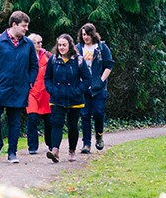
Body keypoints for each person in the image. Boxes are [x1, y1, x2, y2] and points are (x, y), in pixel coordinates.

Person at [0, 11, 38, 163]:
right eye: (24, 26)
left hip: (19, 89)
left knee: (15, 121)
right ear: (14, 25)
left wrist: (30, 81)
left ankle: (12, 152)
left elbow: (34, 65)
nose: (26, 29)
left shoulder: (28, 44)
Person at [44, 34, 92, 163]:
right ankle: (55, 151)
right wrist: (52, 90)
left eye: (64, 45)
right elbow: (47, 78)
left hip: (74, 100)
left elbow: (87, 79)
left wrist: (77, 91)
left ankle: (72, 151)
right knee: (56, 124)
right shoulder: (53, 60)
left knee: (73, 126)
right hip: (57, 98)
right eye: (59, 45)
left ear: (70, 45)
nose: (61, 47)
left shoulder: (79, 60)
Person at [75, 23, 114, 154]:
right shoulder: (78, 48)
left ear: (93, 34)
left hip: (99, 88)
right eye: (83, 34)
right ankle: (86, 144)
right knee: (85, 115)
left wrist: (101, 80)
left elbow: (109, 65)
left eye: (88, 34)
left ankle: (99, 135)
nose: (86, 37)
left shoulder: (102, 48)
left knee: (98, 113)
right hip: (84, 88)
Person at [26, 33, 52, 155]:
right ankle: (32, 146)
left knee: (49, 120)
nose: (40, 44)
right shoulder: (26, 56)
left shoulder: (47, 56)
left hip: (46, 92)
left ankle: (51, 144)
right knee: (32, 118)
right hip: (31, 92)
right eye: (37, 42)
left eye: (41, 42)